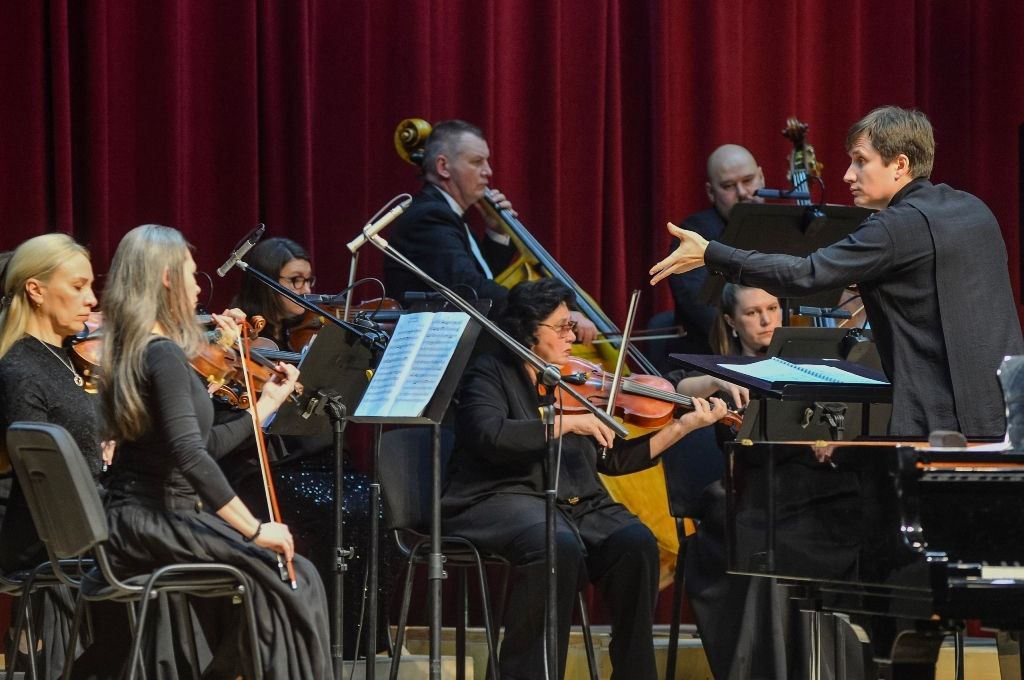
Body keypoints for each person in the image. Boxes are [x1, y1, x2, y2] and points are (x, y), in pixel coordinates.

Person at [651, 106, 1023, 439]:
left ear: (900, 165)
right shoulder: (974, 209)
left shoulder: (894, 228)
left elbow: (803, 275)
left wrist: (711, 253)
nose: (847, 175)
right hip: (1007, 409)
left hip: (941, 422)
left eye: (861, 161)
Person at [441, 278, 726, 680]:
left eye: (571, 326)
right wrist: (567, 424)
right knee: (555, 543)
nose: (572, 336)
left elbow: (615, 459)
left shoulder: (573, 380)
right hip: (499, 496)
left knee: (635, 542)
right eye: (561, 328)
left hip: (575, 503)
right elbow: (490, 435)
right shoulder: (489, 373)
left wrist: (683, 427)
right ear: (527, 329)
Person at [99, 224, 331, 679]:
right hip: (158, 519)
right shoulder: (162, 354)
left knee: (288, 578)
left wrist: (266, 405)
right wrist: (254, 529)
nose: (196, 286)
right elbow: (192, 457)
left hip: (137, 518)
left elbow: (201, 443)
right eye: (190, 274)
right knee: (293, 577)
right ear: (167, 278)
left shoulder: (134, 347)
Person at [0, 233, 113, 679]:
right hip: (49, 534)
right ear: (36, 289)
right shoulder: (20, 369)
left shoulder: (67, 359)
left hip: (84, 520)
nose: (91, 300)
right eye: (78, 286)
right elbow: (43, 477)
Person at [385, 119, 598, 342]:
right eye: (477, 162)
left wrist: (498, 232)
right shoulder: (429, 217)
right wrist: (549, 311)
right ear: (443, 167)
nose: (488, 171)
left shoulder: (448, 215)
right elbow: (469, 289)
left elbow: (481, 277)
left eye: (487, 162)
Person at [668, 144, 765, 354]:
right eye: (728, 186)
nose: (742, 193)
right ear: (711, 192)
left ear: (761, 178)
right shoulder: (692, 235)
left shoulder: (781, 227)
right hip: (711, 357)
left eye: (748, 180)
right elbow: (701, 308)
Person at [230, 237, 315, 350]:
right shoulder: (239, 330)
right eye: (296, 279)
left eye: (308, 280)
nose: (307, 290)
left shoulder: (295, 330)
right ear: (266, 283)